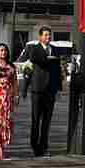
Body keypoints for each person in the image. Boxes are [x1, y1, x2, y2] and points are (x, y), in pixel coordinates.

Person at [28, 27, 61, 157]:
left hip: (50, 90)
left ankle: (44, 145)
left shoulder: (55, 49)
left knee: (47, 120)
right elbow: (36, 59)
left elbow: (57, 69)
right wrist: (49, 59)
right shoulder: (34, 49)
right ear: (40, 36)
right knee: (36, 119)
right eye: (46, 35)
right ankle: (35, 145)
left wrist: (58, 88)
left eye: (49, 35)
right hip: (38, 89)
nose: (48, 37)